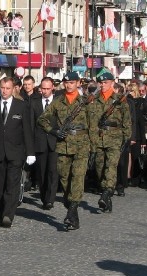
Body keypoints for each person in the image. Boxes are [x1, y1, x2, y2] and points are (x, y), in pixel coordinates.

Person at [37, 72, 94, 231]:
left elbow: (93, 125)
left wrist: (94, 147)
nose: (68, 85)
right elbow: (42, 119)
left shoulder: (86, 101)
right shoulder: (58, 102)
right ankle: (71, 208)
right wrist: (53, 131)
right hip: (63, 145)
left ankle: (72, 210)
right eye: (66, 82)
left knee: (77, 176)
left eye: (72, 82)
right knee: (64, 178)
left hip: (82, 144)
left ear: (78, 83)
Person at [0, 77, 35, 228]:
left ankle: (8, 215)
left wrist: (30, 152)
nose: (5, 91)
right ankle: (1, 211)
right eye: (2, 88)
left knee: (12, 185)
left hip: (16, 152)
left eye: (7, 88)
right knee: (0, 187)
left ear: (13, 89)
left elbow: (27, 131)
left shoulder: (21, 106)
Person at [89, 72, 131, 213]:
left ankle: (107, 192)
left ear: (112, 83)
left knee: (111, 167)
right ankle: (107, 195)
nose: (102, 85)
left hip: (115, 137)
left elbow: (127, 121)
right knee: (100, 168)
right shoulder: (94, 99)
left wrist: (125, 138)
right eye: (100, 83)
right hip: (99, 138)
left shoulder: (120, 100)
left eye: (105, 82)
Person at [30, 77, 58, 210]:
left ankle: (50, 199)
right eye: (43, 89)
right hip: (39, 141)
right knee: (41, 172)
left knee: (53, 171)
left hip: (54, 141)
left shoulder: (58, 102)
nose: (45, 91)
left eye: (48, 88)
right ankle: (44, 196)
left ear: (53, 88)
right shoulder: (34, 102)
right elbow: (30, 124)